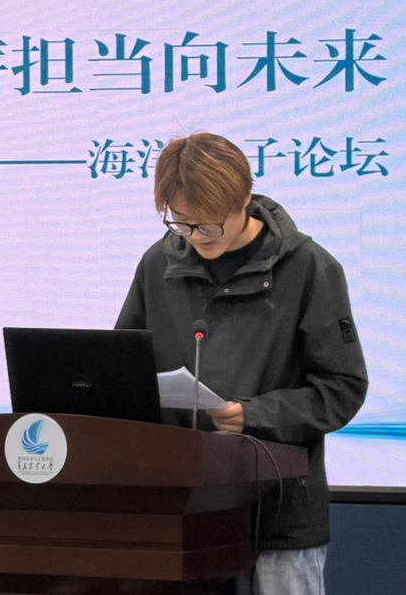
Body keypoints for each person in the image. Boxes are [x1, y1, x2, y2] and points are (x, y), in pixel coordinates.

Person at [115, 133, 368, 595]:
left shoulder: (309, 267)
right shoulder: (158, 264)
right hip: (184, 511)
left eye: (209, 225)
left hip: (279, 515)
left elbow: (342, 388)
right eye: (182, 224)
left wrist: (253, 414)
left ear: (245, 199)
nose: (197, 237)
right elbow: (123, 370)